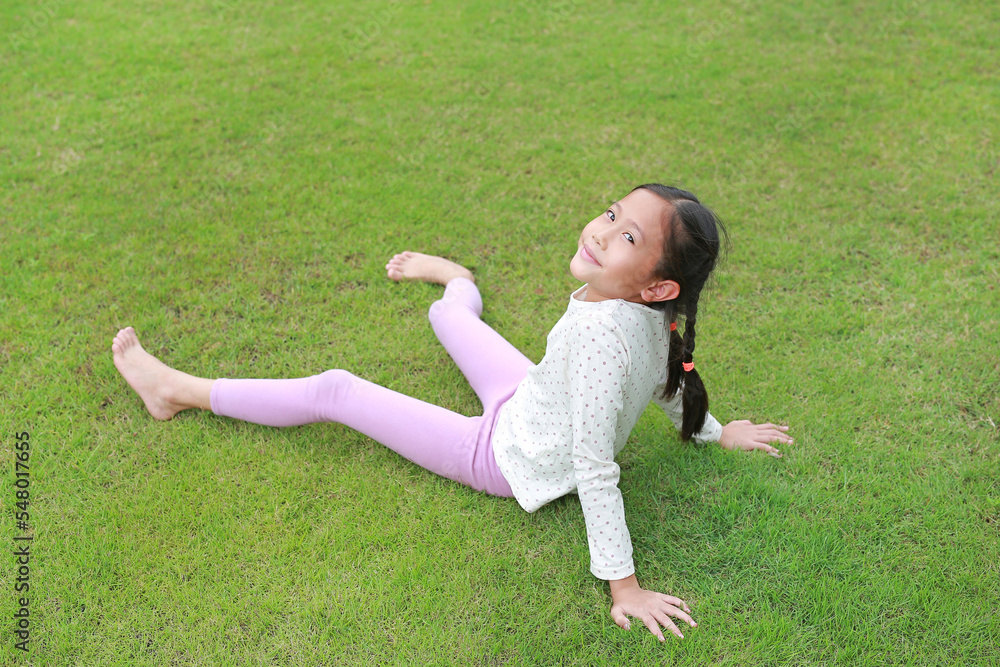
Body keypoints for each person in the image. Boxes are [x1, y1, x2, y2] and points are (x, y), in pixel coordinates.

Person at [112, 183, 792, 642]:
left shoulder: (603, 340)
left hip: (501, 453)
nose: (602, 231)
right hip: (530, 396)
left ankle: (175, 391)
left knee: (336, 389)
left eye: (628, 237)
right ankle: (456, 280)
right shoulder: (643, 313)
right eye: (612, 214)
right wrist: (713, 432)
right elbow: (669, 379)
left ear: (658, 286)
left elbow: (595, 466)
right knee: (450, 316)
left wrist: (626, 588)